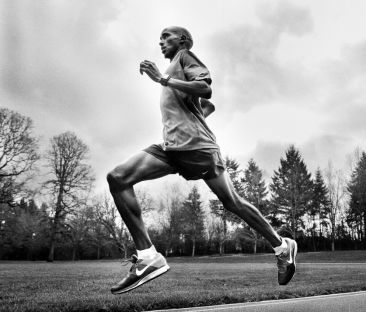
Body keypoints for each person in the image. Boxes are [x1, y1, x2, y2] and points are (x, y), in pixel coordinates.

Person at [107, 26, 297, 294]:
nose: (160, 41)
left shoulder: (184, 57)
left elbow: (204, 89)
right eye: (159, 38)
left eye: (166, 37)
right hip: (176, 147)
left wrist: (162, 80)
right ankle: (148, 256)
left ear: (182, 40)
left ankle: (281, 246)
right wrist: (194, 114)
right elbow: (207, 106)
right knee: (118, 177)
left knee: (233, 203)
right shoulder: (174, 66)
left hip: (196, 148)